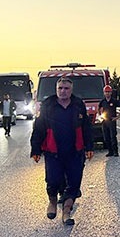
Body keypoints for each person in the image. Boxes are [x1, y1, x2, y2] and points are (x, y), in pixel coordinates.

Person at [30, 77, 94, 225]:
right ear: (56, 89)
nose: (63, 91)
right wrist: (36, 149)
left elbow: (86, 128)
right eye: (60, 88)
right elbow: (38, 129)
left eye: (66, 89)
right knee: (53, 180)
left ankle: (66, 212)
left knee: (74, 182)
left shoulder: (78, 105)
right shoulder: (48, 105)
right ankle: (52, 202)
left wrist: (89, 147)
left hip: (74, 152)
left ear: (71, 91)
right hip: (54, 152)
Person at [98, 85, 120, 157]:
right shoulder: (102, 101)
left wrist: (117, 117)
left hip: (112, 120)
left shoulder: (114, 101)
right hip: (105, 121)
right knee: (106, 137)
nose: (107, 93)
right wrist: (100, 116)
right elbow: (98, 108)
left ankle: (115, 151)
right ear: (104, 93)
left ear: (111, 93)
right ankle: (110, 151)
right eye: (106, 92)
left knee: (113, 136)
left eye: (108, 92)